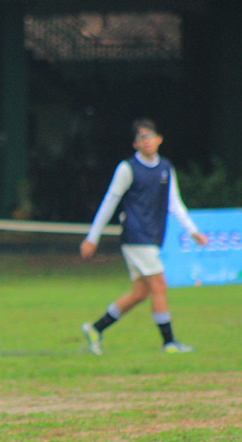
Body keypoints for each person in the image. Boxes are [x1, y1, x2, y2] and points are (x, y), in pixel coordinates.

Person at [80, 118, 207, 355]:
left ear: (159, 140)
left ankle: (95, 328)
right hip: (136, 236)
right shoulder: (127, 169)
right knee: (159, 285)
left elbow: (174, 202)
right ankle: (169, 343)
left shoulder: (165, 167)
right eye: (141, 138)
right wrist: (92, 237)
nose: (146, 142)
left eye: (149, 137)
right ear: (135, 144)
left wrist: (192, 230)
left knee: (140, 293)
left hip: (152, 236)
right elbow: (110, 201)